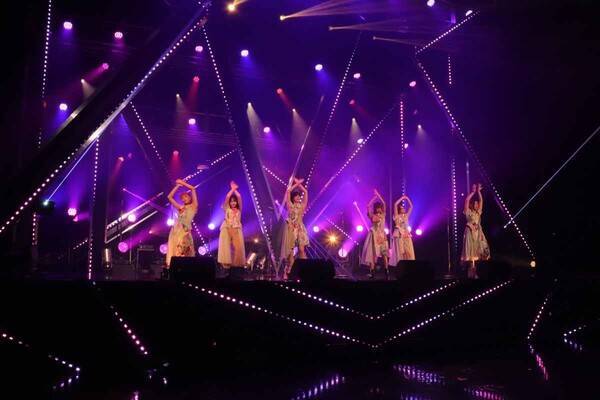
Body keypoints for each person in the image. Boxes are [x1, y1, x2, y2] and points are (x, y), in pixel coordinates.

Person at [166, 179, 198, 268]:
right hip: (177, 230)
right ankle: (177, 268)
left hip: (186, 230)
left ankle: (186, 268)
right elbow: (169, 197)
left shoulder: (194, 206)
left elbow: (193, 189)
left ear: (190, 197)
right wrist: (177, 186)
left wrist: (182, 183)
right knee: (177, 250)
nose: (184, 199)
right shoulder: (181, 208)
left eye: (186, 197)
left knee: (187, 250)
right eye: (182, 198)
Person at [280, 177, 309, 277]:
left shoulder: (302, 206)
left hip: (300, 228)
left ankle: (305, 269)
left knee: (301, 249)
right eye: (296, 196)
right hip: (291, 228)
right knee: (290, 251)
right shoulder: (290, 206)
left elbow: (305, 192)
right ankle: (289, 270)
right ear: (293, 198)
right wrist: (296, 184)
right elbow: (288, 191)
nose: (298, 197)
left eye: (299, 196)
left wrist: (299, 184)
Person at [461, 183, 490, 278]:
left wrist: (478, 192)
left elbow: (481, 200)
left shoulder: (478, 213)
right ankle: (471, 273)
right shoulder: (468, 212)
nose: (476, 205)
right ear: (472, 205)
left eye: (477, 204)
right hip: (470, 232)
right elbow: (466, 200)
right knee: (471, 254)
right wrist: (473, 192)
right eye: (475, 203)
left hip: (477, 233)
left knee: (479, 253)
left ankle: (476, 272)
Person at [361, 189, 389, 278]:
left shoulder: (383, 215)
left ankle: (386, 271)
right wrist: (374, 197)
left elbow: (384, 203)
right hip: (373, 236)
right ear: (375, 209)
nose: (379, 209)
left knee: (384, 254)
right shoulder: (372, 216)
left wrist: (378, 195)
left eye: (380, 207)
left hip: (382, 237)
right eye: (377, 208)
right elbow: (368, 206)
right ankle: (372, 272)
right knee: (372, 255)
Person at [217, 181, 245, 268]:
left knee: (238, 247)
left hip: (237, 229)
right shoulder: (227, 209)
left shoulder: (239, 209)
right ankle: (226, 264)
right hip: (227, 228)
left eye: (234, 201)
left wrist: (235, 189)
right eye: (231, 201)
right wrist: (232, 189)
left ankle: (236, 264)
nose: (233, 203)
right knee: (226, 247)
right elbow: (227, 197)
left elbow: (239, 197)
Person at [391, 194, 415, 265]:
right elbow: (395, 204)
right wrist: (402, 198)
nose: (403, 209)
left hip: (406, 234)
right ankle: (401, 265)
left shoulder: (406, 216)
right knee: (401, 252)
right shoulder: (396, 216)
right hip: (399, 234)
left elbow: (411, 206)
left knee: (408, 251)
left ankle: (408, 266)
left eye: (403, 208)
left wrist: (407, 198)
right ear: (399, 210)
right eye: (401, 208)